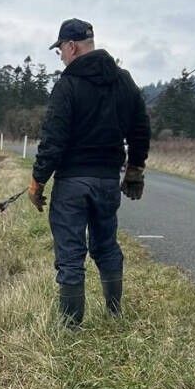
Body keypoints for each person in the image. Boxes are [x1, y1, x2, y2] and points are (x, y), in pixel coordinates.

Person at [29, 18, 150, 326]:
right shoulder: (123, 80)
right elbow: (140, 127)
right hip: (108, 182)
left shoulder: (68, 85)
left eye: (60, 51)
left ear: (72, 46)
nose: (61, 57)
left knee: (70, 256)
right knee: (106, 246)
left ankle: (70, 329)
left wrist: (38, 182)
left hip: (72, 184)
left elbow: (53, 139)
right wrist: (134, 168)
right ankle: (114, 312)